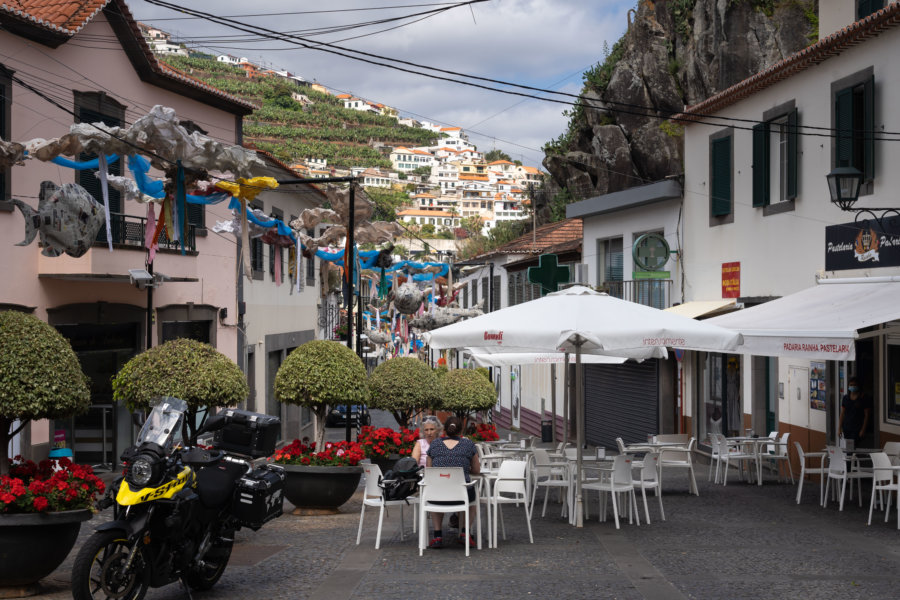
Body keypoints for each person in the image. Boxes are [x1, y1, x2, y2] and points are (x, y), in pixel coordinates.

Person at [425, 415, 480, 549]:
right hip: (462, 497)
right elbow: (477, 470)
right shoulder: (468, 445)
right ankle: (465, 533)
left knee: (437, 491)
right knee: (473, 498)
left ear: (444, 430)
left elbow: (428, 469)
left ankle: (437, 535)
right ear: (461, 432)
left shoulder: (435, 444)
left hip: (437, 496)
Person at [839, 377, 872, 447]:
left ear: (858, 386)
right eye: (851, 385)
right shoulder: (846, 398)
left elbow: (866, 415)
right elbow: (842, 413)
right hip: (847, 428)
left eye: (854, 385)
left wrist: (863, 429)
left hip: (857, 429)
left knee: (855, 449)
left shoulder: (863, 398)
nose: (852, 387)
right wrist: (839, 428)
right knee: (848, 449)